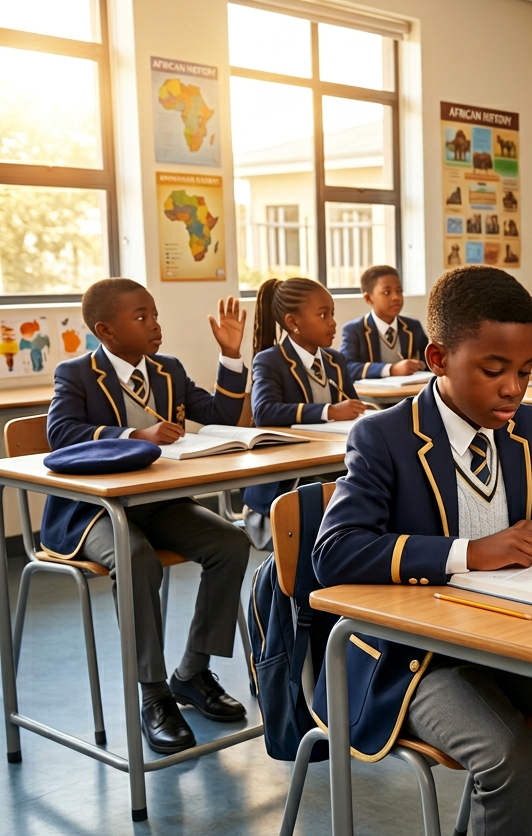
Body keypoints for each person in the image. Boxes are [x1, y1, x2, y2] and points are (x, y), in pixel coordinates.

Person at [312, 265, 532, 836]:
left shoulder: (526, 427)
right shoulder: (384, 437)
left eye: (524, 370)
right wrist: (470, 553)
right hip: (416, 659)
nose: (514, 387)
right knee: (516, 763)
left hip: (512, 638)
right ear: (437, 359)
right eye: (494, 370)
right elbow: (335, 553)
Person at [43, 278, 252, 754]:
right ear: (106, 330)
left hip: (156, 503)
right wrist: (135, 436)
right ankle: (154, 693)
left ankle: (192, 671)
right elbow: (61, 433)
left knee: (230, 543)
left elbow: (219, 414)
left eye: (154, 314)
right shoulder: (76, 373)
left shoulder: (169, 369)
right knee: (137, 558)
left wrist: (231, 356)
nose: (155, 325)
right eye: (141, 317)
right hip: (92, 512)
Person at [244, 277, 366, 549]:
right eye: (323, 315)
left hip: (331, 462)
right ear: (292, 322)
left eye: (332, 313)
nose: (333, 322)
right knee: (342, 495)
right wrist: (329, 411)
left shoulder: (335, 360)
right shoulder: (269, 360)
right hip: (288, 480)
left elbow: (352, 406)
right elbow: (264, 412)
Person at [340, 264, 428, 380]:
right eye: (386, 292)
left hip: (411, 395)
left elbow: (429, 362)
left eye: (399, 291)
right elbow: (346, 367)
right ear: (368, 298)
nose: (396, 297)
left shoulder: (413, 326)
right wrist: (391, 369)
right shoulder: (355, 330)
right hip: (372, 397)